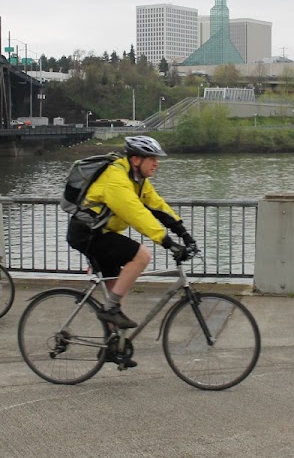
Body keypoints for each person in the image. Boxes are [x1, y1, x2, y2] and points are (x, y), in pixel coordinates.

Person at [66, 135, 197, 365]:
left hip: (101, 233)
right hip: (87, 234)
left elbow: (157, 206)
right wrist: (167, 242)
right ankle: (110, 309)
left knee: (116, 290)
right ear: (136, 160)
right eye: (152, 159)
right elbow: (136, 213)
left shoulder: (138, 180)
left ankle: (112, 347)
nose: (156, 163)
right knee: (141, 256)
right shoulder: (116, 179)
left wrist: (184, 234)